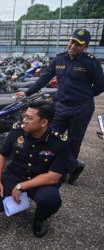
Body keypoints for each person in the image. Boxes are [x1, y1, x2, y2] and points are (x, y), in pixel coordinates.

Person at [16, 29, 104, 184]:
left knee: (74, 141)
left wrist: (84, 95)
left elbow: (100, 86)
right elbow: (44, 78)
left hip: (81, 108)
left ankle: (62, 172)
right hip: (61, 106)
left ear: (85, 47)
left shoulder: (90, 62)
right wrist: (28, 92)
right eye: (72, 41)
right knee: (52, 137)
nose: (73, 46)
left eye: (78, 44)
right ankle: (72, 166)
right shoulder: (59, 59)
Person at [0, 101, 70, 238]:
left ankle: (41, 217)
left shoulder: (59, 142)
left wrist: (21, 186)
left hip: (41, 182)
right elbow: (2, 154)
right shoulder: (17, 131)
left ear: (43, 123)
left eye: (29, 118)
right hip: (15, 176)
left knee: (50, 200)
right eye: (24, 116)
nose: (24, 121)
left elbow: (53, 177)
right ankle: (16, 204)